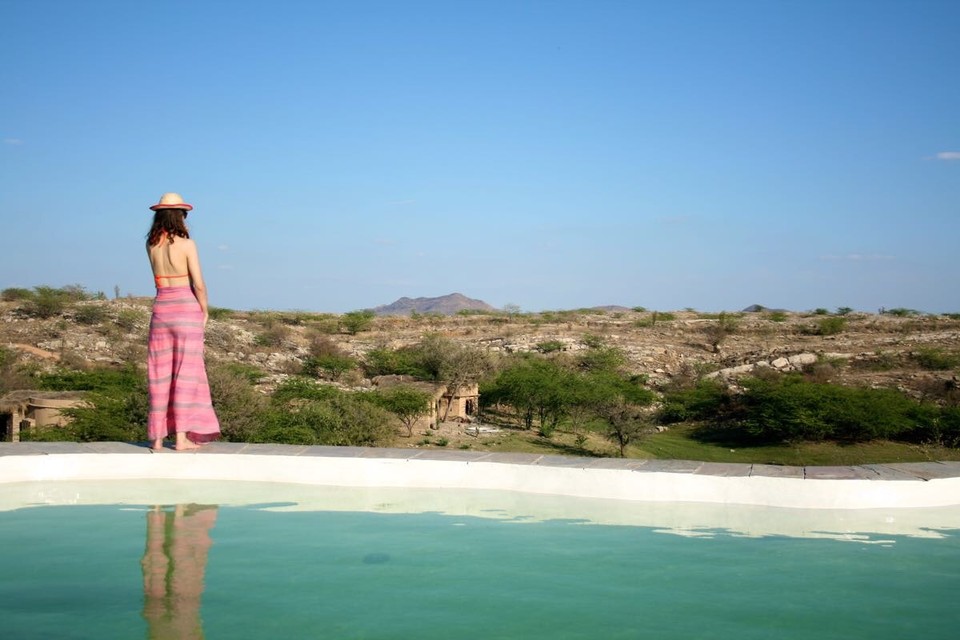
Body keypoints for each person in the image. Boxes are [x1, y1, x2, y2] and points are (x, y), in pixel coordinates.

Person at [145, 192, 220, 451]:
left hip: (161, 309)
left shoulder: (151, 245)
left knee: (159, 373)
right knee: (186, 374)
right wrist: (205, 310)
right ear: (180, 216)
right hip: (185, 309)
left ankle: (156, 438)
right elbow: (198, 283)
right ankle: (180, 438)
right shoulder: (187, 244)